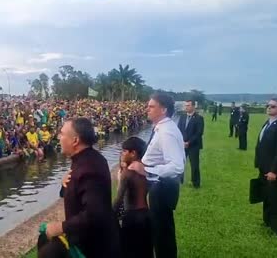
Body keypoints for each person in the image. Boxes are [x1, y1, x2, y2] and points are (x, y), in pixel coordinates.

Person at [42, 118, 120, 258]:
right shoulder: (87, 159)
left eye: (62, 133)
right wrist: (64, 184)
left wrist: (61, 227)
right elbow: (76, 190)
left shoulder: (89, 168)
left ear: (75, 141)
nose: (59, 137)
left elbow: (94, 213)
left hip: (95, 246)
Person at [129, 93, 185, 258]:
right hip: (161, 185)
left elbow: (176, 166)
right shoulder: (162, 128)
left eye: (151, 106)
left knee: (162, 232)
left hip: (162, 187)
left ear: (164, 109)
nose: (147, 109)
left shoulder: (166, 132)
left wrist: (146, 170)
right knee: (161, 230)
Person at [113, 137, 152, 258]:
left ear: (133, 153)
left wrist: (109, 215)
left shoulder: (127, 173)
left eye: (124, 151)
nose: (122, 154)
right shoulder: (146, 168)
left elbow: (119, 199)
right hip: (146, 214)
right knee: (146, 250)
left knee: (129, 251)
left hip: (132, 217)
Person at [255, 98, 277, 235]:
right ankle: (267, 220)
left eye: (273, 106)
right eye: (268, 105)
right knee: (267, 196)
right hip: (264, 168)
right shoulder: (268, 123)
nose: (269, 108)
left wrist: (274, 171)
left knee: (276, 198)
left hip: (274, 171)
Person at [177, 100, 204, 188]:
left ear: (193, 106)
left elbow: (199, 132)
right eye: (186, 105)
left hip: (193, 145)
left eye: (188, 105)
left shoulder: (199, 118)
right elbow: (178, 130)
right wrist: (181, 141)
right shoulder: (182, 117)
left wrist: (189, 142)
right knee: (180, 163)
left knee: (194, 164)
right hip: (182, 144)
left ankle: (196, 183)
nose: (186, 107)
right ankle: (179, 180)